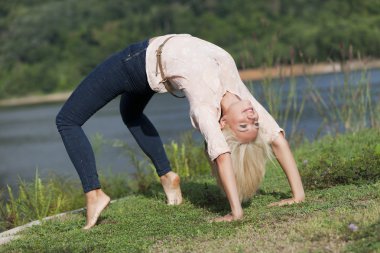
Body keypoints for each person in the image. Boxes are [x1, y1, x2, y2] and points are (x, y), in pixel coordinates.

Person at [56, 34, 305, 229]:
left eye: (244, 126)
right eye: (253, 124)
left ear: (223, 124)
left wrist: (236, 212)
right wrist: (298, 196)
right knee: (130, 113)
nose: (252, 118)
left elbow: (221, 153)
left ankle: (94, 193)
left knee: (67, 120)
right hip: (153, 67)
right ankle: (167, 176)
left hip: (138, 62)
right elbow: (277, 137)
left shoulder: (205, 109)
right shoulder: (241, 96)